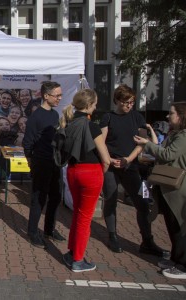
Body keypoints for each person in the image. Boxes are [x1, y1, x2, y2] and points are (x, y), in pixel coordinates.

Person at [99, 84, 169, 257]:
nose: (129, 105)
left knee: (143, 203)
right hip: (111, 166)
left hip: (131, 166)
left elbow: (142, 142)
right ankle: (113, 236)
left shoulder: (137, 117)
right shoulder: (107, 117)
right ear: (117, 100)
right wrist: (109, 159)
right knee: (111, 199)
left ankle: (147, 241)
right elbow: (101, 140)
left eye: (131, 102)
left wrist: (128, 159)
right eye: (126, 102)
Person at [134, 102, 186, 280]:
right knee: (172, 226)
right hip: (168, 187)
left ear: (181, 116)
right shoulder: (176, 133)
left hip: (179, 188)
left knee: (180, 226)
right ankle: (175, 259)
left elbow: (167, 154)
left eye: (171, 113)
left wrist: (147, 144)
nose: (167, 116)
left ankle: (184, 265)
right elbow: (163, 151)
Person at [60, 89, 111, 272]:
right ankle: (78, 260)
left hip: (73, 171)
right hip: (90, 173)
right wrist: (102, 172)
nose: (96, 107)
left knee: (77, 214)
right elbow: (105, 158)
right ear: (89, 105)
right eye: (95, 104)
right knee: (85, 218)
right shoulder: (92, 126)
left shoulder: (70, 123)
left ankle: (72, 252)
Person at [23, 81, 66, 248]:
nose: (60, 98)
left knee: (56, 197)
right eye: (57, 95)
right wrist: (31, 162)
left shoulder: (55, 115)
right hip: (41, 162)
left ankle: (49, 229)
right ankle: (32, 232)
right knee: (38, 199)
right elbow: (27, 143)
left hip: (55, 162)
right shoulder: (36, 117)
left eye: (60, 95)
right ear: (46, 96)